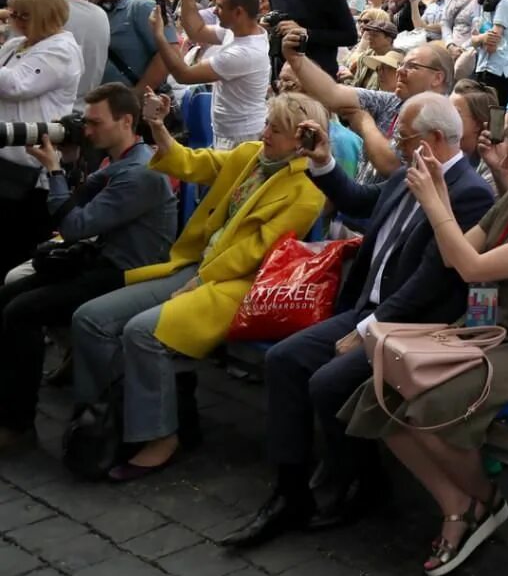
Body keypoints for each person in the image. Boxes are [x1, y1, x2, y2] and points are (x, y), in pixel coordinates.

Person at [222, 92, 497, 547]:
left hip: (410, 326)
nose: (396, 143)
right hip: (368, 309)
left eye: (404, 137)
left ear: (433, 139)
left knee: (328, 382)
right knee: (285, 361)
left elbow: (428, 283)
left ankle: (361, 483)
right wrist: (325, 162)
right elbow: (361, 201)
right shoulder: (410, 174)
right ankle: (290, 489)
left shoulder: (469, 194)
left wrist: (366, 330)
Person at [338, 112, 508, 576]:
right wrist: (439, 204)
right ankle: (458, 504)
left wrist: (435, 202)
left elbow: (471, 266)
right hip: (483, 327)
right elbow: (461, 257)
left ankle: (487, 501)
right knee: (382, 395)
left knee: (432, 409)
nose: (503, 162)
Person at [71, 91, 326, 482]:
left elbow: (256, 252)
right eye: (268, 123)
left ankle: (159, 436)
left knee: (142, 331)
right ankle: (103, 417)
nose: (266, 132)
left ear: (301, 141)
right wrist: (156, 125)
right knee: (90, 318)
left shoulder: (305, 191)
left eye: (278, 129)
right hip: (196, 267)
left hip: (236, 286)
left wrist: (201, 280)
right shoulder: (252, 156)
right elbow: (193, 162)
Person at [0, 84, 175, 451]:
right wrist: (67, 159)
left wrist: (52, 169)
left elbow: (74, 226)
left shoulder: (140, 172)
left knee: (21, 312)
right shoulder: (121, 159)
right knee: (10, 294)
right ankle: (13, 402)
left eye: (95, 123)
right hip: (100, 259)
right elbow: (78, 204)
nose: (88, 130)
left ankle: (18, 426)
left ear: (126, 121)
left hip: (125, 273)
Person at [0, 0, 85, 273]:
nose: (14, 21)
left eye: (22, 15)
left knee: (18, 243)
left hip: (32, 165)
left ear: (43, 16)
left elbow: (15, 85)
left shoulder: (61, 49)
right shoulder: (17, 45)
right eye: (14, 14)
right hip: (8, 158)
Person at [147, 0, 273, 149]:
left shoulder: (244, 53)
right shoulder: (239, 31)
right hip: (229, 133)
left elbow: (183, 75)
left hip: (241, 138)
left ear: (238, 12)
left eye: (220, 7)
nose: (214, 11)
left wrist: (160, 36)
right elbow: (197, 31)